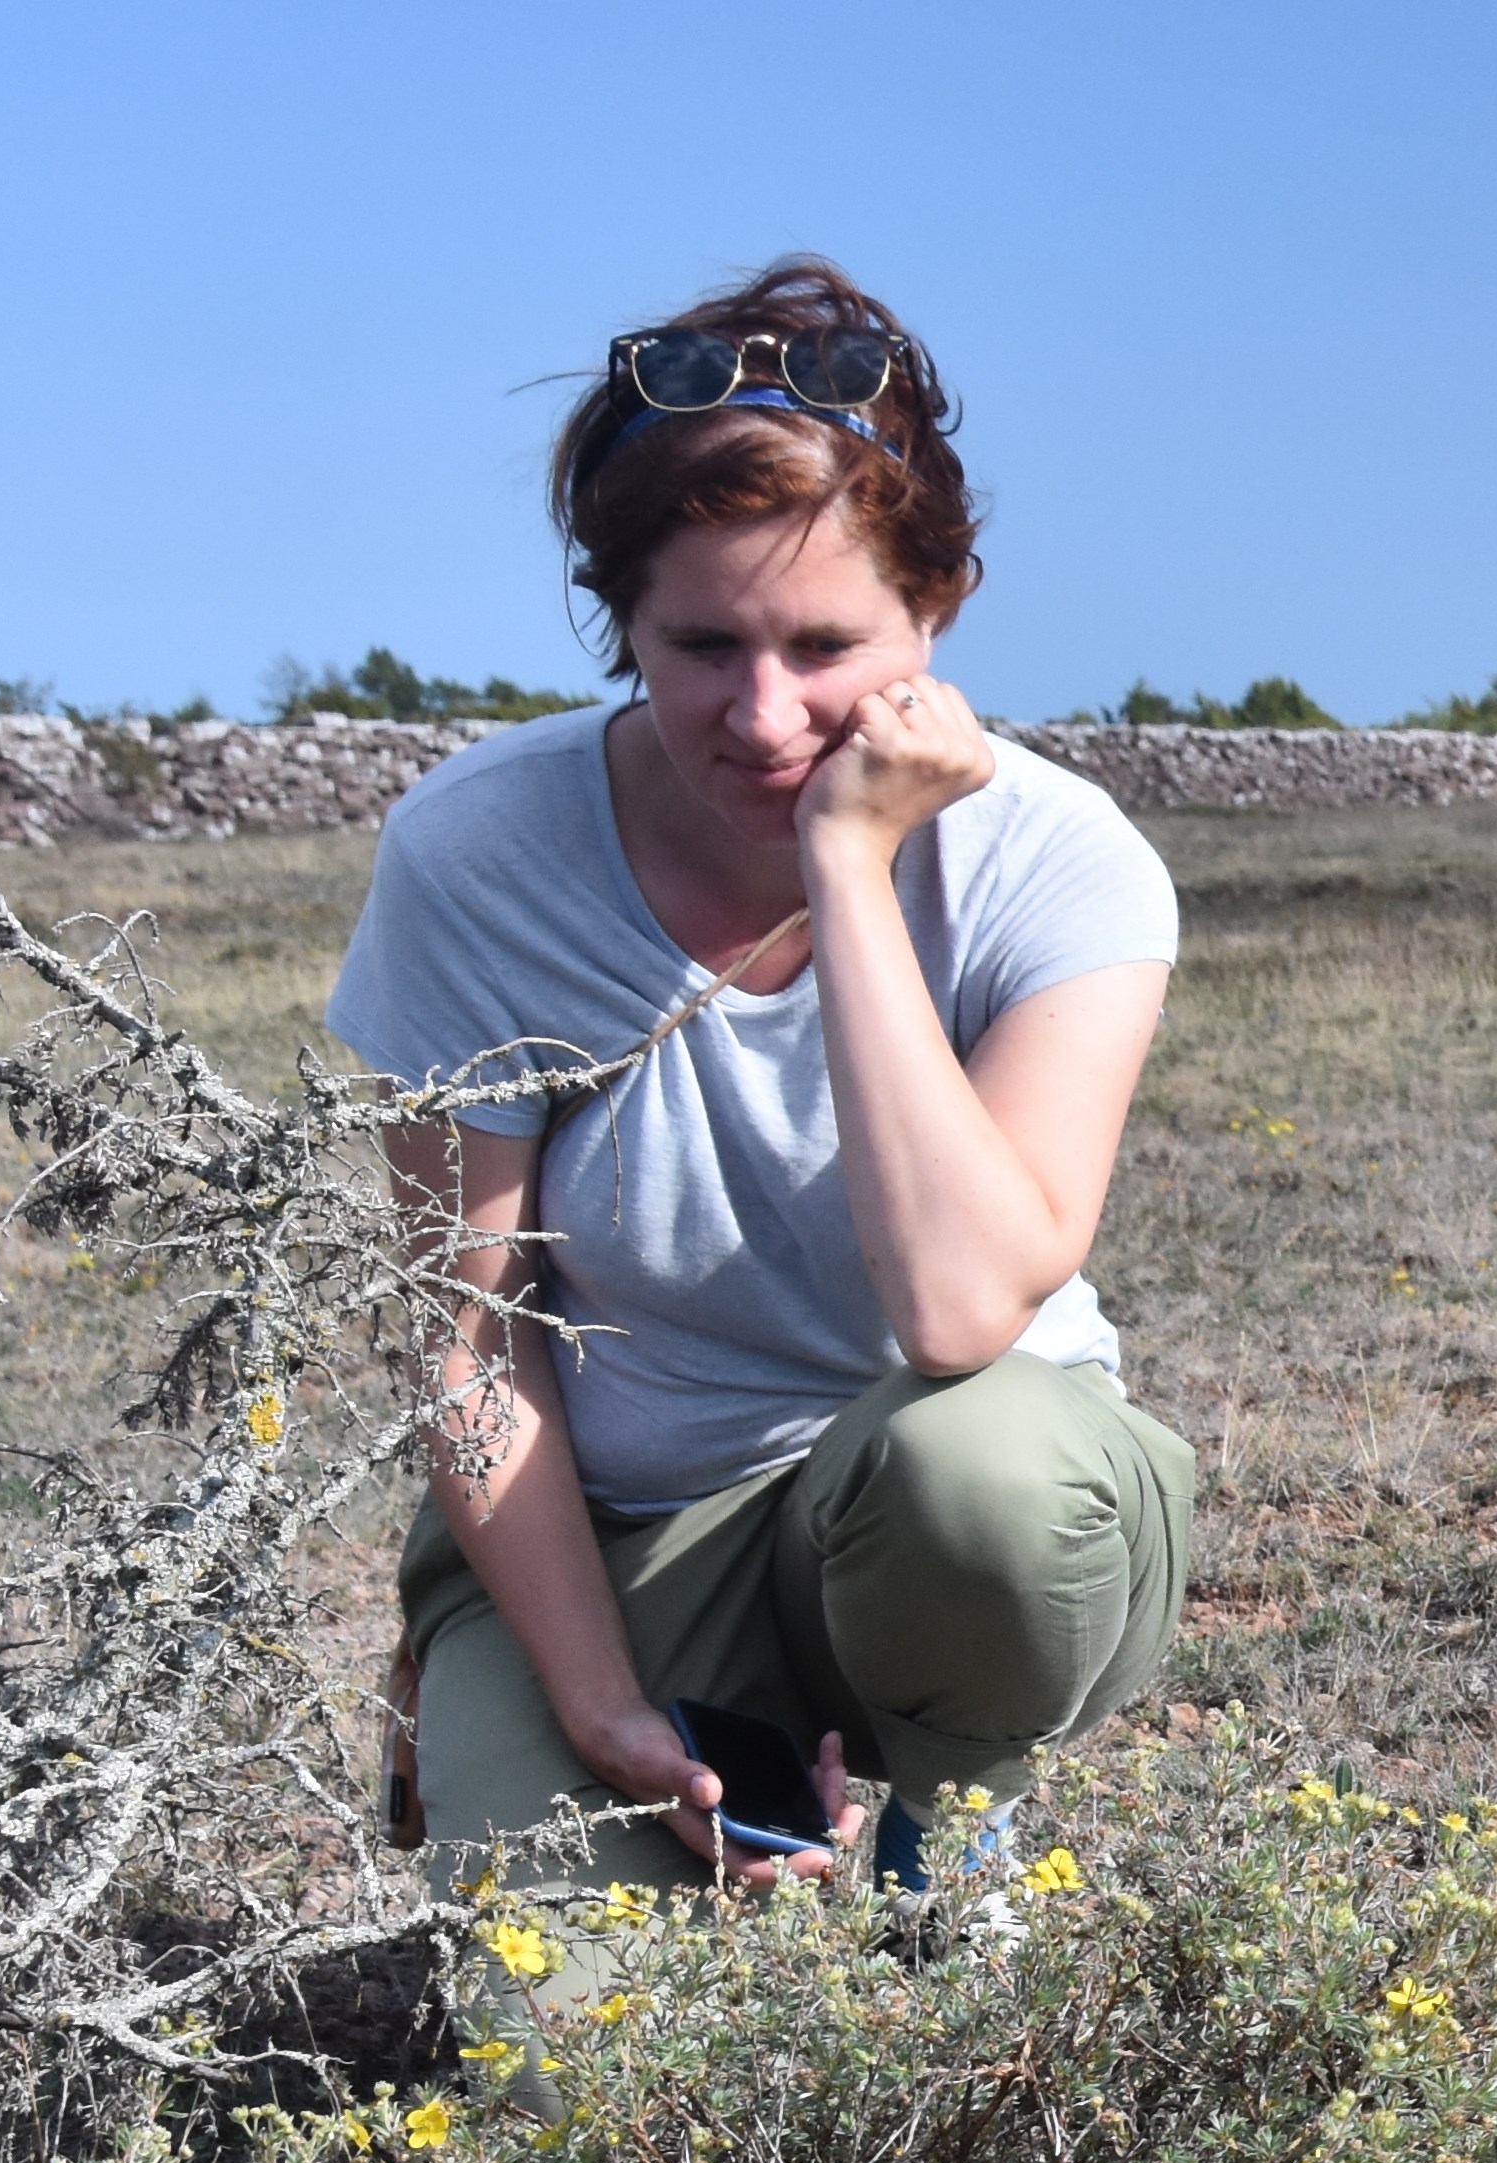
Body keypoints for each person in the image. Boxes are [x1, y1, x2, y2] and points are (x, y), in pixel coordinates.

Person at [325, 255, 1192, 1921]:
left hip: (950, 1524)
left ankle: (957, 1845)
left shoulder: (1061, 862)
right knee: (573, 2076)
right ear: (618, 620)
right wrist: (591, 1706)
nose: (765, 710)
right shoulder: (481, 851)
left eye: (829, 644)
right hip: (615, 1540)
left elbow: (954, 1314)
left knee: (987, 1473)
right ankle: (531, 1716)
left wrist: (852, 868)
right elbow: (469, 1328)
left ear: (938, 615)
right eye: (699, 642)